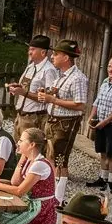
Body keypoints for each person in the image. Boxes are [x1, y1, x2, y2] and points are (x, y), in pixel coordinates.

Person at [39, 39, 89, 205]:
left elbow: (80, 104)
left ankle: (59, 199)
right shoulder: (61, 76)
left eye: (56, 54)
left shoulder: (78, 78)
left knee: (60, 159)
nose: (52, 56)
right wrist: (46, 94)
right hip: (54, 120)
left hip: (66, 122)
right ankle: (52, 194)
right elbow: (55, 95)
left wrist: (52, 99)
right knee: (50, 157)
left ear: (66, 57)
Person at [0, 127, 57, 224]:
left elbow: (19, 190)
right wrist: (21, 162)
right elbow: (15, 182)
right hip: (32, 205)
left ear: (31, 145)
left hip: (42, 210)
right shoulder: (29, 160)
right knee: (0, 217)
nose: (17, 143)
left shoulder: (40, 164)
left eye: (21, 140)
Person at [6, 34, 58, 137]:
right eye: (29, 49)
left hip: (35, 118)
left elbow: (48, 97)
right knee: (18, 148)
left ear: (43, 52)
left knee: (29, 149)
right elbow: (25, 86)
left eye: (33, 49)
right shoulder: (30, 67)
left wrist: (24, 93)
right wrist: (17, 87)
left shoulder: (49, 70)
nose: (29, 52)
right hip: (21, 114)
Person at [87, 55, 112, 194]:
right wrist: (91, 117)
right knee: (102, 152)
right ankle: (102, 178)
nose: (111, 69)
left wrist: (105, 122)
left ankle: (111, 183)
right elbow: (97, 102)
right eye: (109, 66)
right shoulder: (105, 81)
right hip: (101, 122)